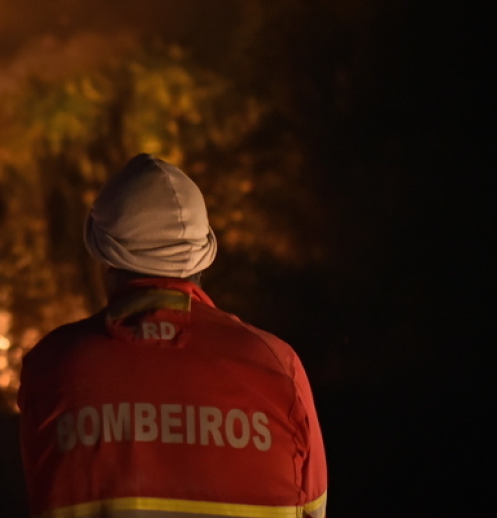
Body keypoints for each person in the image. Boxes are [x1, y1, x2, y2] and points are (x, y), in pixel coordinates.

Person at [18, 154, 327, 518]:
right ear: (204, 256)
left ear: (103, 257)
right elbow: (314, 511)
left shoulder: (51, 367)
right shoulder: (277, 366)